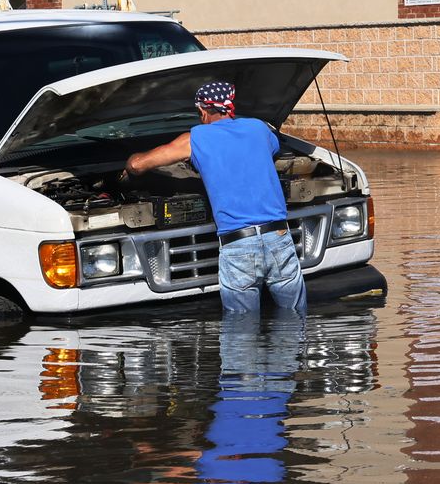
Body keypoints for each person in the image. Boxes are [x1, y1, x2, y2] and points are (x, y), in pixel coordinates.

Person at [124, 80, 306, 315]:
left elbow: (138, 165)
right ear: (230, 105)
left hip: (238, 244)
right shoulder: (259, 128)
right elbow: (270, 151)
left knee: (241, 332)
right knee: (295, 317)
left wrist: (127, 165)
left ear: (202, 110)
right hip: (279, 237)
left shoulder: (195, 139)